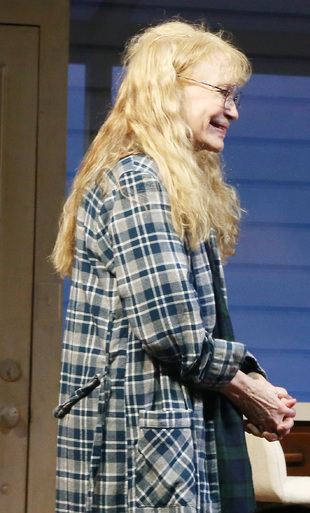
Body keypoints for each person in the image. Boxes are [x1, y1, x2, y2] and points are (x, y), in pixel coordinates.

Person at [51, 20, 296, 513]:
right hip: (137, 438)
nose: (233, 110)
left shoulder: (165, 180)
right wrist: (249, 391)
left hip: (160, 428)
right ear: (168, 88)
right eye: (223, 93)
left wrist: (253, 380)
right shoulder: (140, 178)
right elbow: (172, 332)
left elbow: (190, 326)